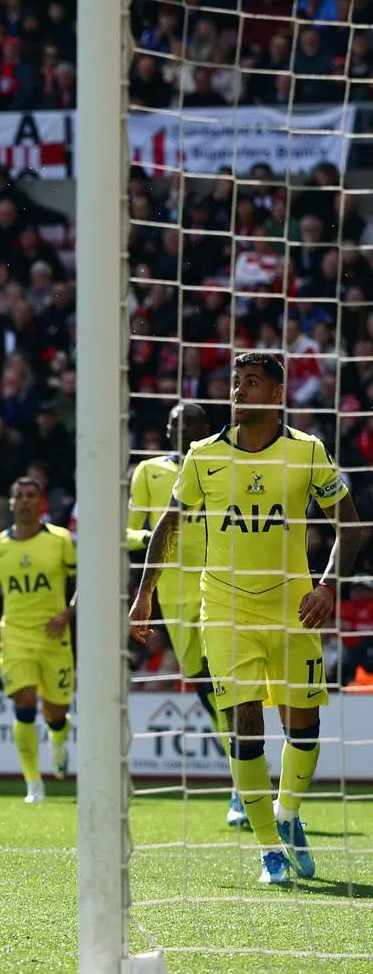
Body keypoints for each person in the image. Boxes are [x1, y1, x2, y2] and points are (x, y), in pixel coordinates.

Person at [131, 353, 364, 886]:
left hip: (293, 606)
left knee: (303, 727)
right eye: (234, 382)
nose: (238, 390)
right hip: (225, 607)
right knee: (244, 724)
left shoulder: (307, 452)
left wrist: (328, 586)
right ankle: (268, 849)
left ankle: (287, 814)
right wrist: (145, 594)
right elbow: (168, 524)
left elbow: (351, 527)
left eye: (252, 382)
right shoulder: (202, 456)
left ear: (278, 393)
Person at [128, 403, 246, 828]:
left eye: (193, 424)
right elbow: (128, 528)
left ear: (206, 429)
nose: (185, 430)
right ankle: (243, 777)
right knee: (204, 689)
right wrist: (149, 535)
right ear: (167, 429)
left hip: (220, 587)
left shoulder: (223, 462)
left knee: (226, 682)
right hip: (174, 596)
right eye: (178, 423)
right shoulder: (148, 473)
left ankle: (242, 788)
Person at [0, 477, 75, 804]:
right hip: (15, 635)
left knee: (55, 713)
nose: (24, 501)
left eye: (31, 495)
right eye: (18, 496)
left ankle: (58, 739)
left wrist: (68, 614)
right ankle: (33, 782)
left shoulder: (60, 540)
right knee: (24, 704)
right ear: (11, 503)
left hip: (54, 637)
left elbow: (83, 579)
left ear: (41, 501)